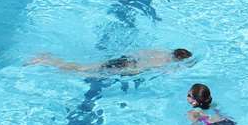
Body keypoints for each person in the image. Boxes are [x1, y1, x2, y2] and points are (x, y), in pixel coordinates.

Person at [30, 48, 193, 76]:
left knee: (84, 68)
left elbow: (138, 53)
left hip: (122, 60)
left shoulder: (160, 51)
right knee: (80, 70)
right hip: (124, 67)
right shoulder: (165, 63)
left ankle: (48, 59)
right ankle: (44, 60)